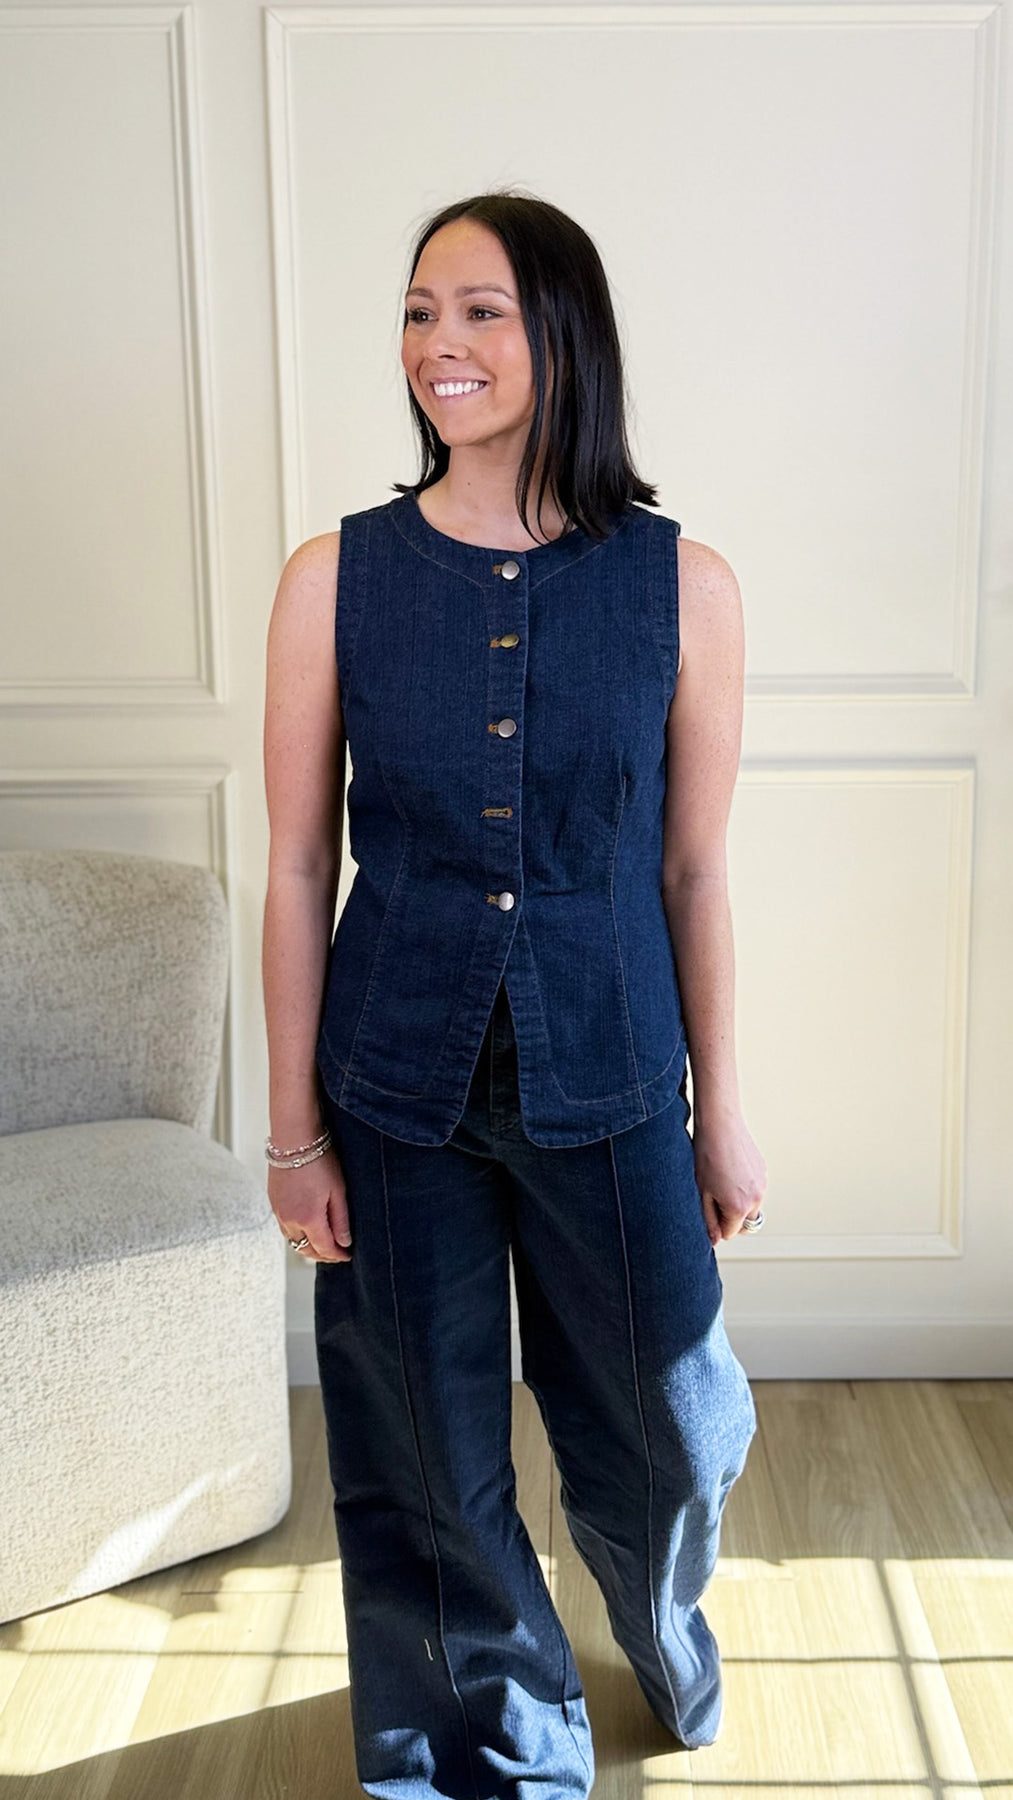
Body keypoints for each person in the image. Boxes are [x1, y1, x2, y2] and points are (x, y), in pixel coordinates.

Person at [261, 189, 767, 1800]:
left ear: (562, 332)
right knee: (424, 1448)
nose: (441, 343)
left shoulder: (684, 588)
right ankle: (495, 1748)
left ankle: (653, 1614)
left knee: (670, 1428)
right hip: (392, 1082)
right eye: (421, 311)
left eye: (480, 309)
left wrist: (721, 1112)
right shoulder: (332, 577)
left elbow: (693, 871)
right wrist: (292, 1134)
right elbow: (296, 867)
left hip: (608, 1071)